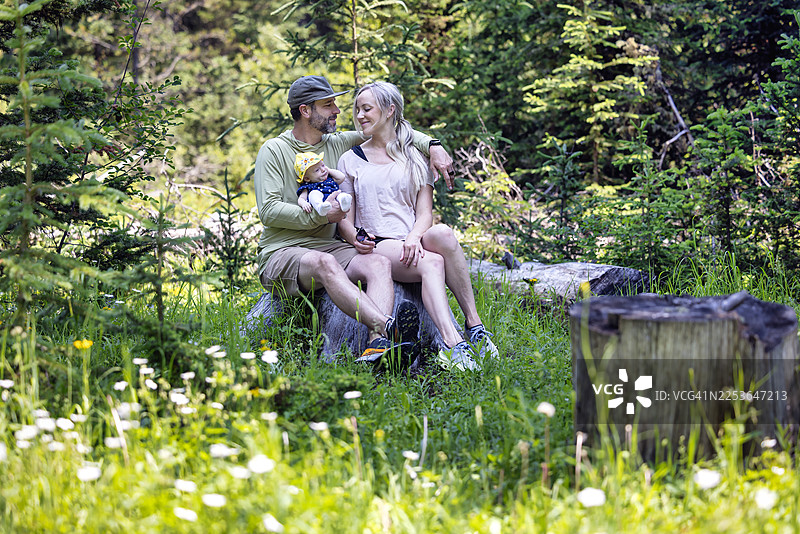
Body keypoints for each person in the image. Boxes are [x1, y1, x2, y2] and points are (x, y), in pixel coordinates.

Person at [254, 75, 455, 364]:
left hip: (330, 247)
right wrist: (320, 217)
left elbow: (390, 126)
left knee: (378, 262)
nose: (337, 110)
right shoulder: (273, 150)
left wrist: (434, 145)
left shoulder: (336, 144)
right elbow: (269, 211)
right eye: (328, 105)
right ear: (305, 110)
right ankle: (388, 327)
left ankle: (377, 348)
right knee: (324, 263)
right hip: (282, 251)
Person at [337, 81, 499, 372]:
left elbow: (425, 213)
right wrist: (355, 238)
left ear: (390, 110)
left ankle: (475, 326)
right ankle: (453, 345)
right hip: (379, 244)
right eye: (357, 110)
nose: (360, 116)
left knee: (444, 234)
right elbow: (345, 221)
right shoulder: (351, 159)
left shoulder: (415, 156)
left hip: (411, 238)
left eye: (367, 109)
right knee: (433, 264)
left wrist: (413, 237)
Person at [294, 151, 352, 216]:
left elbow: (342, 177)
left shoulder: (329, 179)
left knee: (340, 194)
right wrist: (304, 203)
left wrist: (328, 170)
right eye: (317, 170)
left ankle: (344, 203)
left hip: (334, 199)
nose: (323, 170)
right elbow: (301, 198)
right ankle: (320, 207)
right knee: (313, 194)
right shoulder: (308, 186)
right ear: (307, 179)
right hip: (322, 202)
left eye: (323, 165)